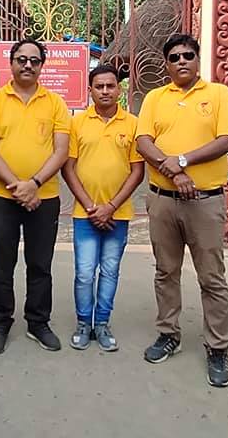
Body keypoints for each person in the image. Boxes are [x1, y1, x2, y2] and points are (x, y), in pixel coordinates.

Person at [135, 33, 228, 388]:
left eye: (187, 55)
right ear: (166, 64)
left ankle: (217, 347)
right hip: (163, 200)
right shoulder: (155, 98)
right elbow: (143, 141)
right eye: (174, 57)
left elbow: (226, 141)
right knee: (166, 271)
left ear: (197, 59)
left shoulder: (219, 95)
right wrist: (175, 173)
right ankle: (169, 334)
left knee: (211, 277)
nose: (181, 61)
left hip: (205, 202)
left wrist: (182, 161)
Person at [0, 38, 71, 354]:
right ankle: (1, 321)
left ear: (42, 65)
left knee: (40, 263)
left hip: (44, 198)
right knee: (1, 263)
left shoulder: (55, 103)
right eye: (22, 59)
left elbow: (61, 151)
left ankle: (38, 322)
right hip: (2, 196)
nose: (28, 65)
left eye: (34, 60)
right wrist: (19, 187)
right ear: (12, 63)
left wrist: (34, 183)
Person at [61, 64, 145, 352]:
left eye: (110, 86)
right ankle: (84, 323)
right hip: (84, 214)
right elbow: (68, 168)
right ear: (90, 90)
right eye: (99, 86)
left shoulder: (132, 124)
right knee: (85, 272)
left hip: (118, 215)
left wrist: (110, 206)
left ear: (119, 89)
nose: (105, 91)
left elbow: (137, 171)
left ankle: (102, 323)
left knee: (110, 271)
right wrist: (91, 206)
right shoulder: (77, 123)